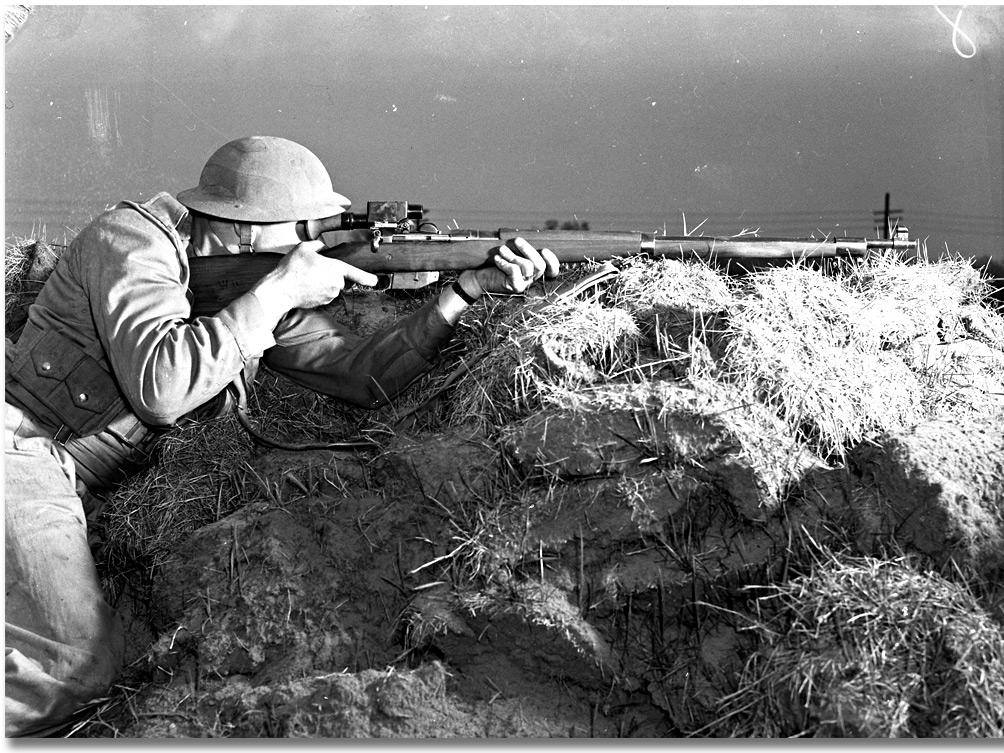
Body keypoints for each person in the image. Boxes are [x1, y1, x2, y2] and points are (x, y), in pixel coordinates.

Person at [4, 135, 560, 736]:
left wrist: (466, 290)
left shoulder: (248, 283)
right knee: (74, 670)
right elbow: (160, 389)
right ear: (241, 232)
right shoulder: (132, 240)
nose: (315, 246)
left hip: (62, 478)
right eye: (303, 230)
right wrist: (276, 293)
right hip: (20, 446)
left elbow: (359, 375)